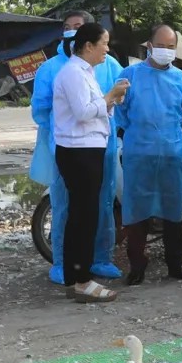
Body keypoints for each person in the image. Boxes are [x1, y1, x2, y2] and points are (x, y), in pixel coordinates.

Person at [28, 10, 121, 286]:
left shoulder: (104, 65)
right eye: (67, 27)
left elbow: (110, 106)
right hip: (72, 146)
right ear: (88, 43)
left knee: (100, 204)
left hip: (100, 144)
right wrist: (60, 131)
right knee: (68, 207)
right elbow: (45, 110)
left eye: (77, 26)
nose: (71, 31)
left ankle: (100, 258)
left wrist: (112, 106)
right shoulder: (58, 68)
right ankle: (67, 266)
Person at [115, 24, 182, 284]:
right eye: (160, 46)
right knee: (137, 212)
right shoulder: (130, 75)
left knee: (174, 210)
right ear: (149, 46)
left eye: (170, 47)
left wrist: (164, 133)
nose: (165, 51)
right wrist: (143, 133)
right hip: (139, 152)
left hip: (172, 152)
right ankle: (137, 266)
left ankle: (175, 264)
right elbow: (121, 114)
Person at [52, 22, 128, 304]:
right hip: (78, 151)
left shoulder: (87, 72)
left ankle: (77, 277)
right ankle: (81, 280)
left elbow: (94, 108)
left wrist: (111, 99)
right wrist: (110, 96)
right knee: (83, 218)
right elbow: (83, 112)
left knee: (85, 215)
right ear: (88, 46)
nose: (107, 50)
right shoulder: (73, 73)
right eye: (104, 43)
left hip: (88, 149)